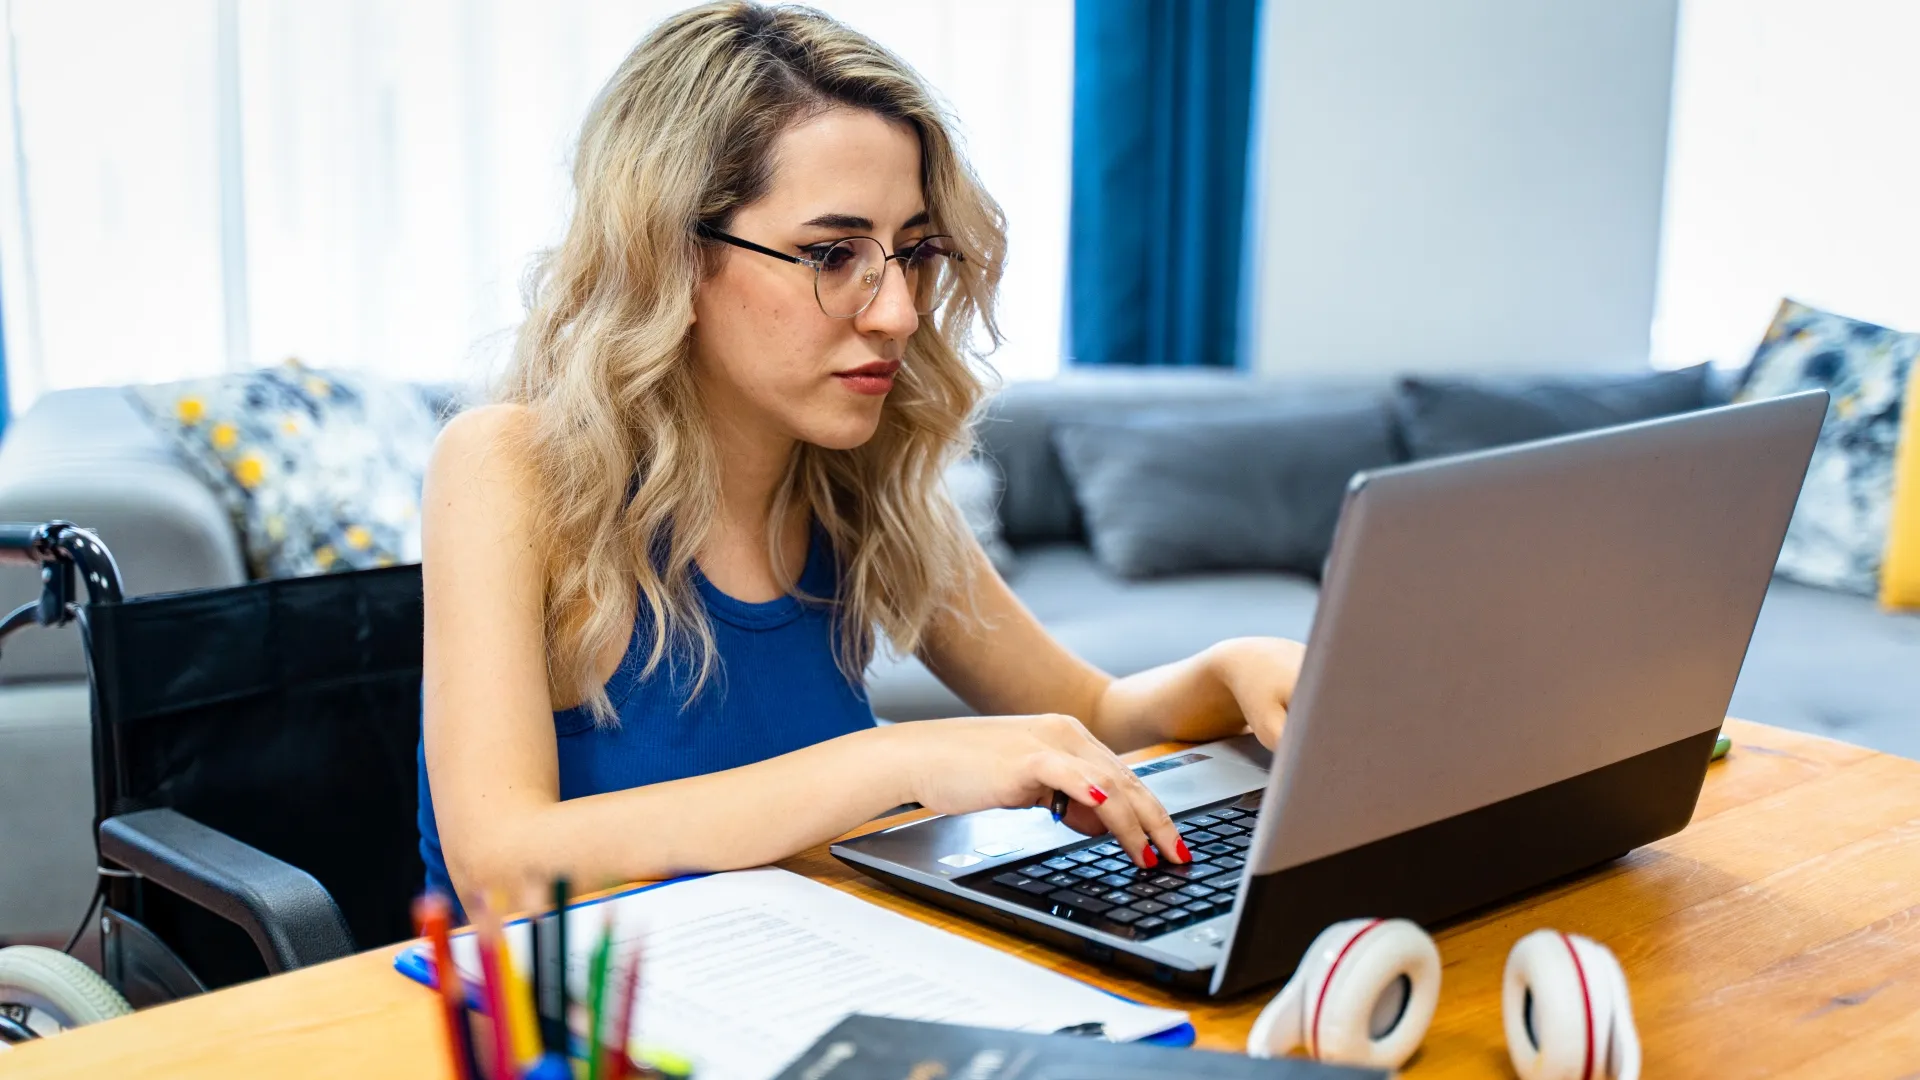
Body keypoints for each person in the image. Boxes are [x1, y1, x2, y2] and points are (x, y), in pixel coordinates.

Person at [417, 0, 1304, 915]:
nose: (898, 313)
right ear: (674, 256)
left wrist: (1231, 669)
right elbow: (501, 866)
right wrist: (899, 756)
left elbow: (1098, 715)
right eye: (834, 252)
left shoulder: (858, 479)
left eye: (912, 252)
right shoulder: (509, 466)